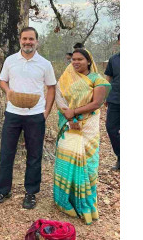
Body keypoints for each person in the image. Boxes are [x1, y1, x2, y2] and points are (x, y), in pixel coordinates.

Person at [0, 27, 56, 209]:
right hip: (13, 114)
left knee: (34, 155)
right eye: (25, 39)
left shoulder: (45, 64)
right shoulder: (11, 60)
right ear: (20, 40)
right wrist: (8, 90)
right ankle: (3, 190)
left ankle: (31, 193)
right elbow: (2, 80)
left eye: (31, 39)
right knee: (6, 153)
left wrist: (46, 111)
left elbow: (51, 87)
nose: (28, 42)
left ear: (37, 41)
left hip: (35, 115)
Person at [54, 48, 111, 225]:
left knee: (88, 164)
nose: (76, 62)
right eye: (73, 59)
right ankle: (65, 201)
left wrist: (75, 113)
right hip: (69, 124)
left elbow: (97, 103)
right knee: (68, 160)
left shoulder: (98, 80)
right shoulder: (65, 78)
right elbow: (60, 99)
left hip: (88, 127)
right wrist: (69, 117)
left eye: (80, 59)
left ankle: (85, 204)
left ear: (88, 61)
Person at [104, 33, 120, 170]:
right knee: (111, 128)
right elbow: (108, 78)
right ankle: (120, 155)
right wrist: (104, 95)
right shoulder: (114, 59)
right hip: (115, 99)